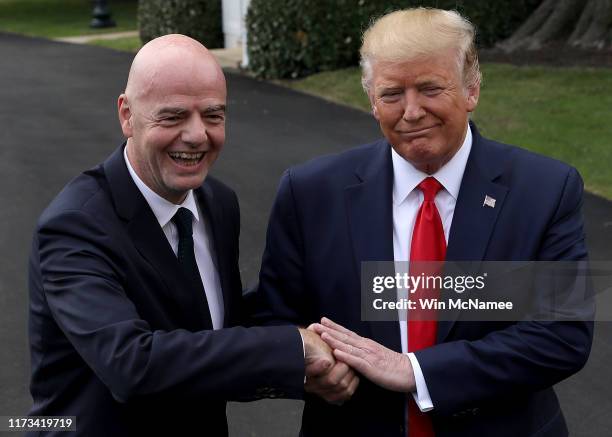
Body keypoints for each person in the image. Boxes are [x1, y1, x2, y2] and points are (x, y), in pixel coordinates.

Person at [255, 8, 593, 437]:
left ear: (471, 90)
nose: (411, 112)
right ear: (371, 100)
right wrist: (310, 361)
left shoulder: (544, 190)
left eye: (430, 88)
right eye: (392, 93)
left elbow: (561, 337)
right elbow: (273, 319)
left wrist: (414, 371)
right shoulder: (310, 193)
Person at [27, 34, 356, 437]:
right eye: (173, 116)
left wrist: (323, 351)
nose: (198, 135)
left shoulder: (217, 203)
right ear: (127, 115)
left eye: (213, 115)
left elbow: (213, 334)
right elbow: (133, 365)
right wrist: (293, 348)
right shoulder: (74, 227)